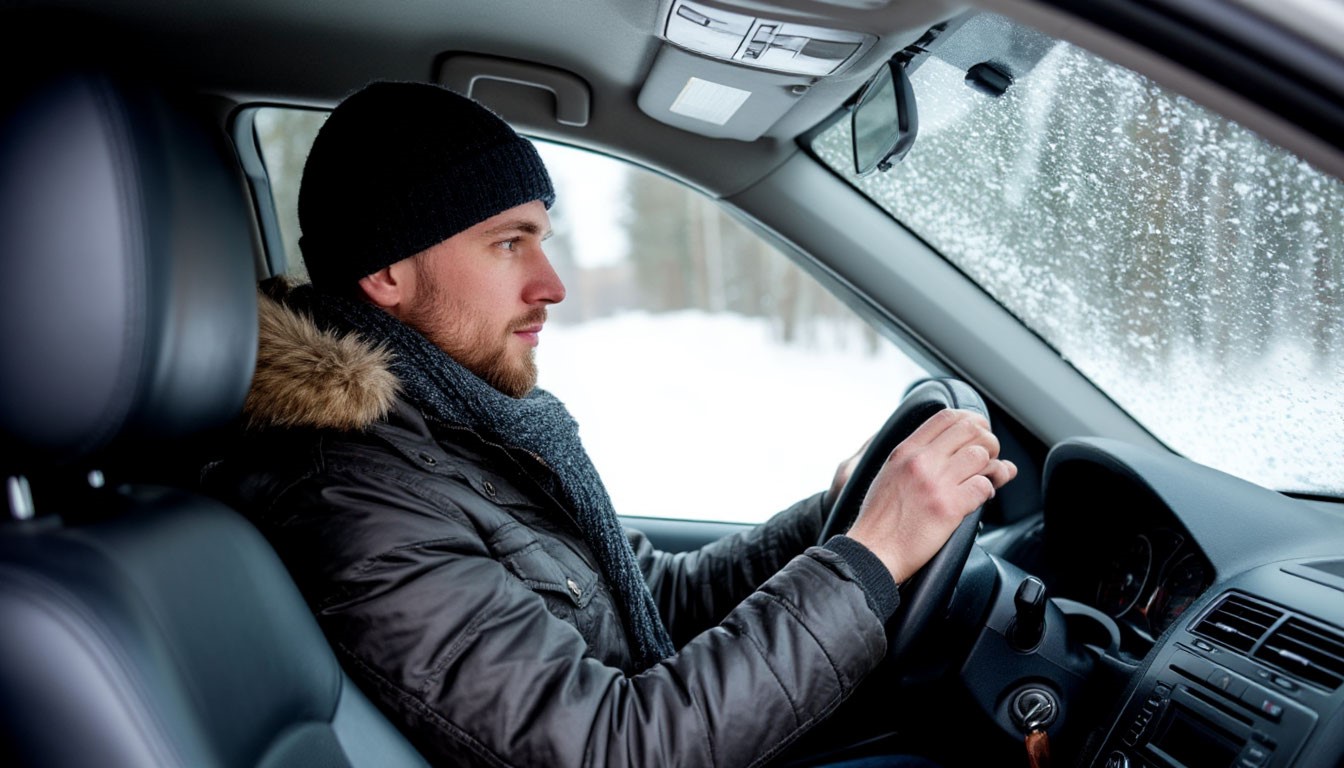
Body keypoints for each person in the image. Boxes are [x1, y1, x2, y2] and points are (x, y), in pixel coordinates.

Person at [206, 80, 1016, 767]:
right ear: (386, 269)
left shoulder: (451, 431)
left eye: (542, 240)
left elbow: (647, 601)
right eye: (508, 244)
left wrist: (834, 518)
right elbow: (612, 747)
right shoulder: (353, 497)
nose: (552, 283)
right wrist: (867, 560)